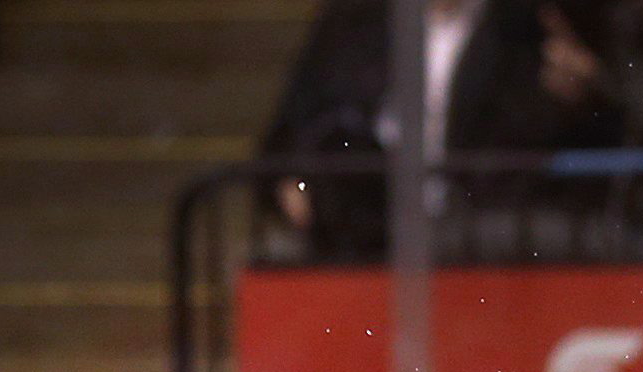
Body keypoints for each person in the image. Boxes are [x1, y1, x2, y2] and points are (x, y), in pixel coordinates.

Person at [258, 0, 621, 260]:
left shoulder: (528, 24)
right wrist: (293, 184)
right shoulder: (350, 21)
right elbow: (287, 134)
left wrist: (581, 96)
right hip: (367, 219)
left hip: (480, 222)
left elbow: (596, 133)